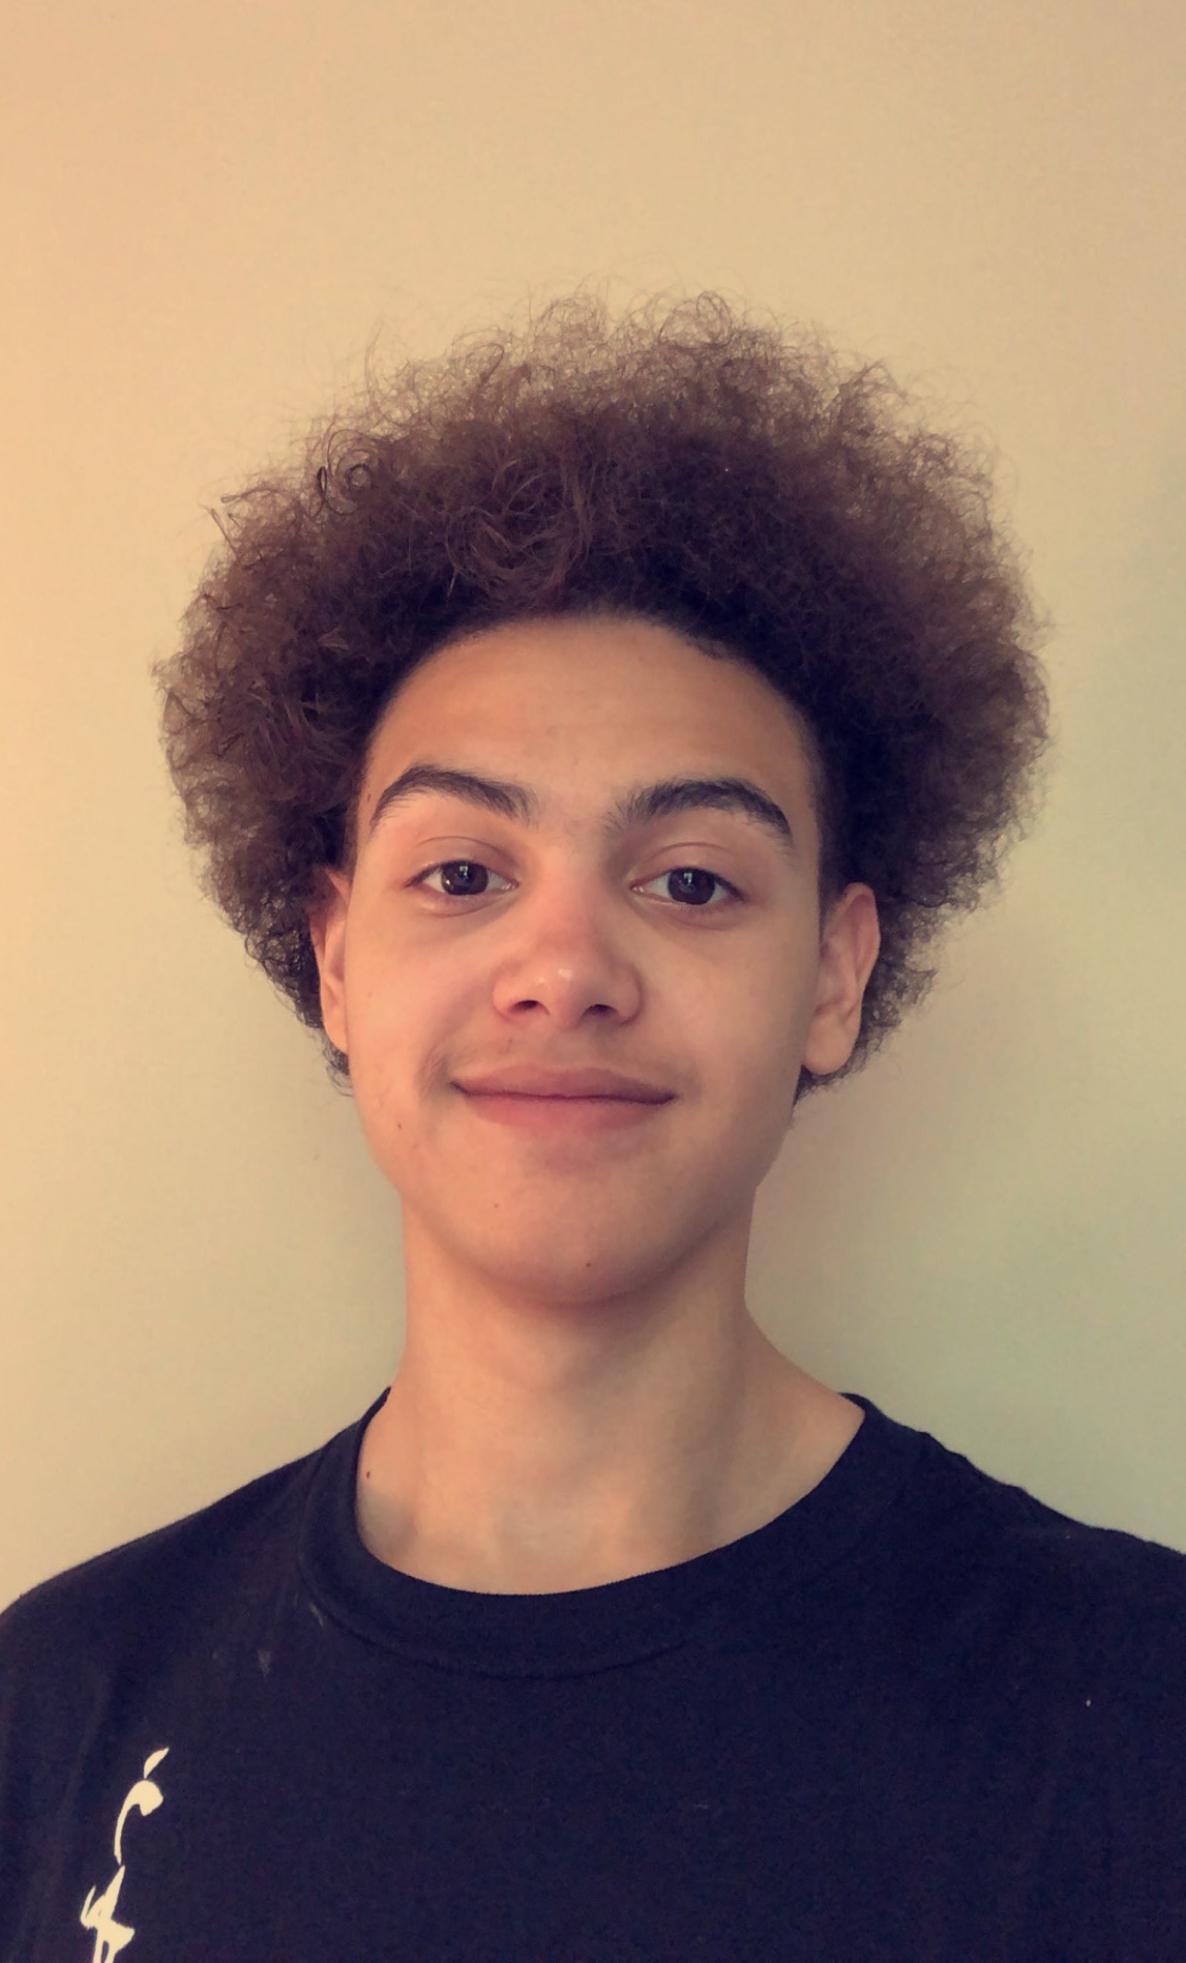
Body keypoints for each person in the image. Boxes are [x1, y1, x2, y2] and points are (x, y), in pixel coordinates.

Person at [1, 294, 1182, 1961]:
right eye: (460, 873)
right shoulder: (57, 1706)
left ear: (832, 975)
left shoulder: (1133, 1716)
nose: (563, 969)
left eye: (689, 880)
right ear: (335, 962)